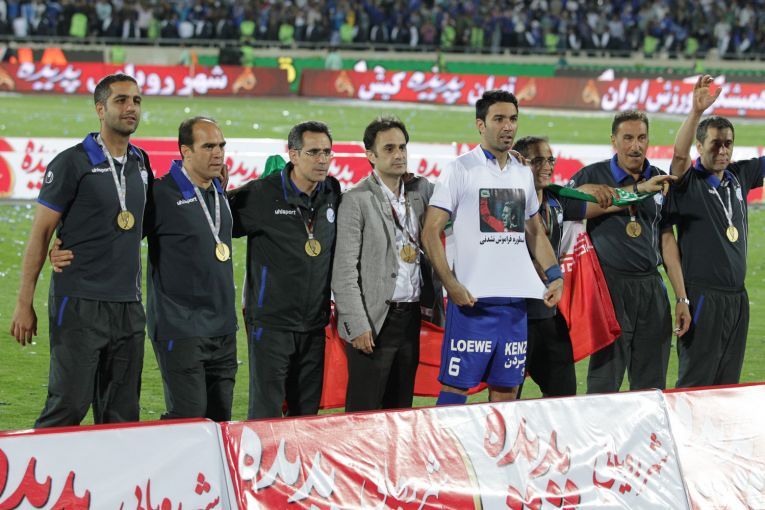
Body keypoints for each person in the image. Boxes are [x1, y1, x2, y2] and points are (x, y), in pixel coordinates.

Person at [51, 117, 238, 421]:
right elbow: (118, 235)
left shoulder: (218, 189)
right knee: (188, 419)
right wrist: (65, 250)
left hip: (224, 329)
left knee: (220, 421)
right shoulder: (161, 194)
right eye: (208, 146)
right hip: (181, 327)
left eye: (221, 146)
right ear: (185, 151)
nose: (217, 153)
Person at [9, 73, 153, 427]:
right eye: (121, 100)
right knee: (68, 406)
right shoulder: (71, 163)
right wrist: (24, 303)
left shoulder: (141, 162)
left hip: (128, 305)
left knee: (122, 415)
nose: (131, 107)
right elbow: (41, 234)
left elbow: (145, 224)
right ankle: (36, 466)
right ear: (100, 109)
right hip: (79, 302)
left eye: (136, 100)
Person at [422, 90, 564, 405]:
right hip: (472, 304)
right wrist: (451, 285)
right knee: (456, 389)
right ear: (480, 125)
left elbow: (534, 230)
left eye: (513, 119)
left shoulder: (522, 172)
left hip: (514, 306)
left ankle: (499, 442)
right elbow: (430, 232)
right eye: (499, 119)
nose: (508, 126)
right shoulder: (460, 169)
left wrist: (555, 275)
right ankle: (449, 441)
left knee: (507, 390)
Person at [568, 110, 690, 394]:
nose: (636, 146)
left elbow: (666, 240)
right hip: (610, 290)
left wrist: (681, 297)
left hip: (652, 289)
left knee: (651, 386)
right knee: (604, 385)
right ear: (614, 140)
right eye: (628, 138)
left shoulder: (660, 178)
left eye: (642, 138)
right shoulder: (592, 175)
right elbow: (568, 208)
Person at [227, 121, 341, 419]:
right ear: (293, 154)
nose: (322, 159)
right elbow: (218, 223)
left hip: (314, 326)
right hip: (271, 325)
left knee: (305, 416)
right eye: (313, 152)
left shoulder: (332, 191)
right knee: (266, 415)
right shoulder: (262, 194)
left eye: (327, 152)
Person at [669, 75, 764, 387]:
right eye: (715, 144)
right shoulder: (688, 183)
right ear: (700, 146)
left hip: (737, 299)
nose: (723, 151)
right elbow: (679, 157)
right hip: (703, 297)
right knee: (696, 384)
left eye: (728, 144)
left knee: (727, 385)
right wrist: (696, 112)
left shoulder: (739, 175)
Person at [513, 135, 618, 397]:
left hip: (549, 316)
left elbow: (609, 203)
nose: (547, 166)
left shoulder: (557, 200)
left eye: (550, 160)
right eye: (538, 160)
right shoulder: (503, 203)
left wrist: (643, 189)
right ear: (520, 163)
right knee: (506, 400)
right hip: (513, 317)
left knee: (564, 397)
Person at [332, 116, 425, 412]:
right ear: (370, 155)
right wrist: (357, 324)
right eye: (389, 149)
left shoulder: (419, 193)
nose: (398, 154)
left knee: (400, 411)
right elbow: (344, 271)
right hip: (374, 321)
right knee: (364, 413)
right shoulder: (355, 199)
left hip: (410, 318)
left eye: (402, 147)